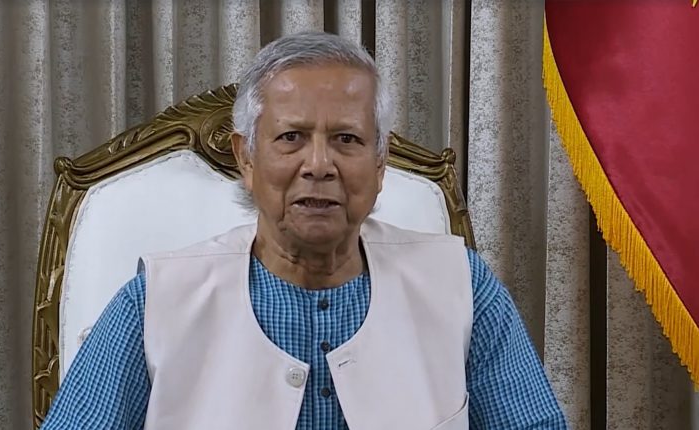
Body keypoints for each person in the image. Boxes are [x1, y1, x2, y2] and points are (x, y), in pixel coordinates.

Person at [41, 31, 566, 430]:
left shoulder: (460, 284)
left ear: (380, 163)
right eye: (291, 137)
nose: (319, 165)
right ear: (247, 157)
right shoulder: (155, 300)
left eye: (347, 139)